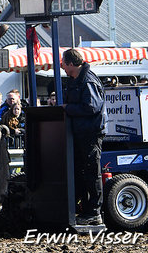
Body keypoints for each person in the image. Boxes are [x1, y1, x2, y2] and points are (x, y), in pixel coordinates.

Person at [61, 48, 106, 226]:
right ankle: (86, 211)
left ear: (71, 64)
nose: (62, 67)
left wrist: (67, 108)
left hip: (90, 134)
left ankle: (94, 213)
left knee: (91, 173)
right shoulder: (77, 80)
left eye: (64, 63)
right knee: (83, 172)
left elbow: (91, 107)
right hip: (82, 133)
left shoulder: (87, 81)